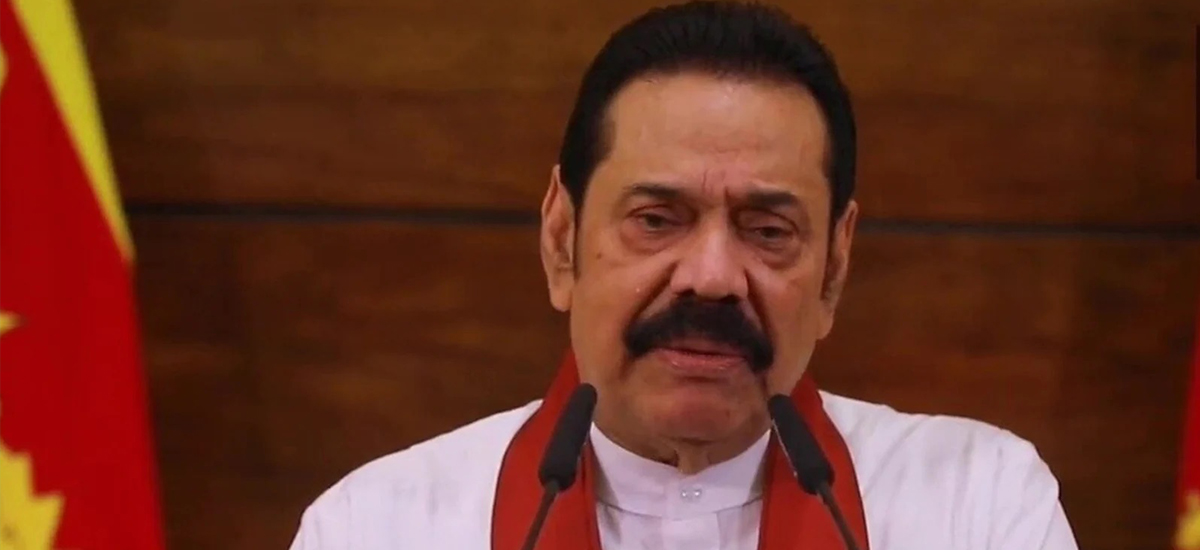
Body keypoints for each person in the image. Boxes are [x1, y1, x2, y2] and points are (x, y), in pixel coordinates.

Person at [288, 2, 1080, 548]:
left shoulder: (975, 505)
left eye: (767, 231)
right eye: (657, 220)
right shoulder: (379, 526)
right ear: (561, 240)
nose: (711, 277)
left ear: (834, 268)